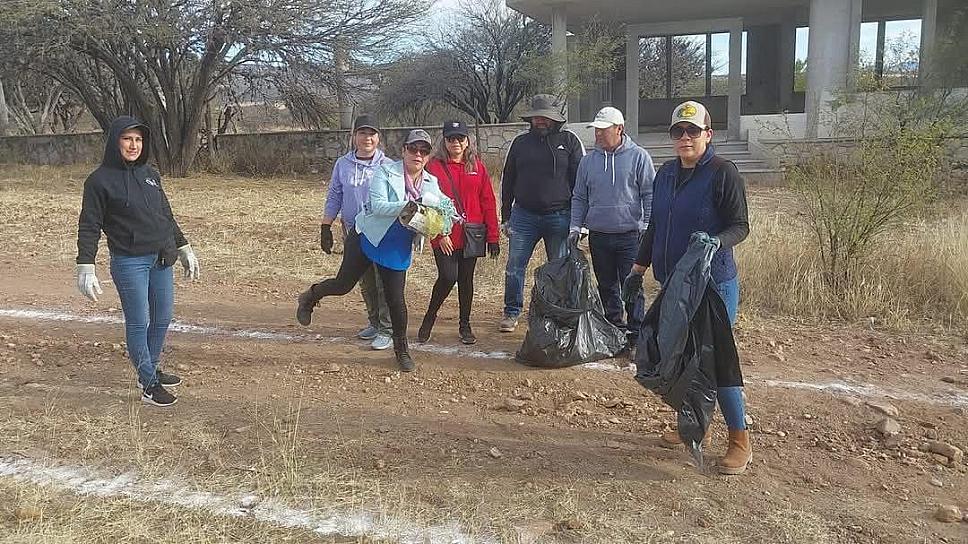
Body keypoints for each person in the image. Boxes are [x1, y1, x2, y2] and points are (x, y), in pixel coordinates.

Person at [624, 100, 752, 474]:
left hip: (712, 285)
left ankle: (739, 440)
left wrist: (716, 241)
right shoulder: (665, 174)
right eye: (678, 132)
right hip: (675, 284)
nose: (685, 138)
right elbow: (656, 226)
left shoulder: (722, 172)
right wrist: (637, 268)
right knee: (679, 358)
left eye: (692, 131)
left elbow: (740, 225)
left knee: (717, 361)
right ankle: (693, 424)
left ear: (707, 135)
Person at [296, 129, 455, 372]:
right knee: (343, 285)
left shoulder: (432, 184)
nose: (418, 155)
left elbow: (445, 211)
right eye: (413, 149)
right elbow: (379, 206)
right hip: (367, 236)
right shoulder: (386, 171)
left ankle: (401, 350)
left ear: (428, 156)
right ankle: (311, 296)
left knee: (396, 300)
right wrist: (415, 205)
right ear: (404, 151)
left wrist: (445, 221)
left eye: (424, 151)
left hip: (396, 246)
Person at [75, 115, 200, 407]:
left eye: (138, 139)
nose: (133, 145)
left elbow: (165, 215)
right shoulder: (98, 181)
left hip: (161, 257)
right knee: (139, 321)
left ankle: (149, 370)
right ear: (115, 141)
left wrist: (184, 247)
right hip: (130, 262)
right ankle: (148, 384)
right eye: (127, 139)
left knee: (162, 317)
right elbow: (89, 225)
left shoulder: (150, 174)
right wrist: (86, 264)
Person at [569, 106, 654, 346]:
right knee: (607, 286)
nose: (597, 134)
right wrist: (575, 227)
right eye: (596, 130)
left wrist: (647, 225)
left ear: (619, 129)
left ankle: (637, 335)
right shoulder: (588, 162)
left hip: (630, 235)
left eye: (603, 130)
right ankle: (615, 331)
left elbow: (649, 193)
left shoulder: (639, 157)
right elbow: (579, 197)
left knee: (632, 287)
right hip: (599, 235)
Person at [499, 94, 585, 332]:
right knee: (515, 266)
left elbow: (580, 184)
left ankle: (555, 313)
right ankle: (511, 312)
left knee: (558, 268)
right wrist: (505, 216)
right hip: (523, 216)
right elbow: (508, 179)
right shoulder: (520, 143)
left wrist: (579, 221)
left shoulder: (570, 141)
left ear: (554, 119)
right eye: (537, 117)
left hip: (560, 216)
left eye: (545, 117)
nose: (541, 121)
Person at [418, 121, 500, 345]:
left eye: (460, 138)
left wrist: (493, 236)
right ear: (444, 141)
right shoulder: (433, 167)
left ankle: (465, 325)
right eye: (451, 138)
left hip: (471, 235)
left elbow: (488, 202)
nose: (456, 142)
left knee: (466, 280)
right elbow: (426, 203)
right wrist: (439, 233)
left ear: (467, 141)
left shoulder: (477, 166)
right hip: (443, 235)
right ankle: (429, 317)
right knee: (447, 277)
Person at [319, 114, 394, 351]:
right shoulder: (343, 164)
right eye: (362, 133)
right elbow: (335, 195)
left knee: (384, 281)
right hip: (353, 231)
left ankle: (386, 329)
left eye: (371, 133)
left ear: (378, 138)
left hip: (381, 232)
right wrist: (325, 226)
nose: (367, 138)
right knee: (365, 281)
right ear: (354, 136)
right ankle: (373, 321)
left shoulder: (388, 166)